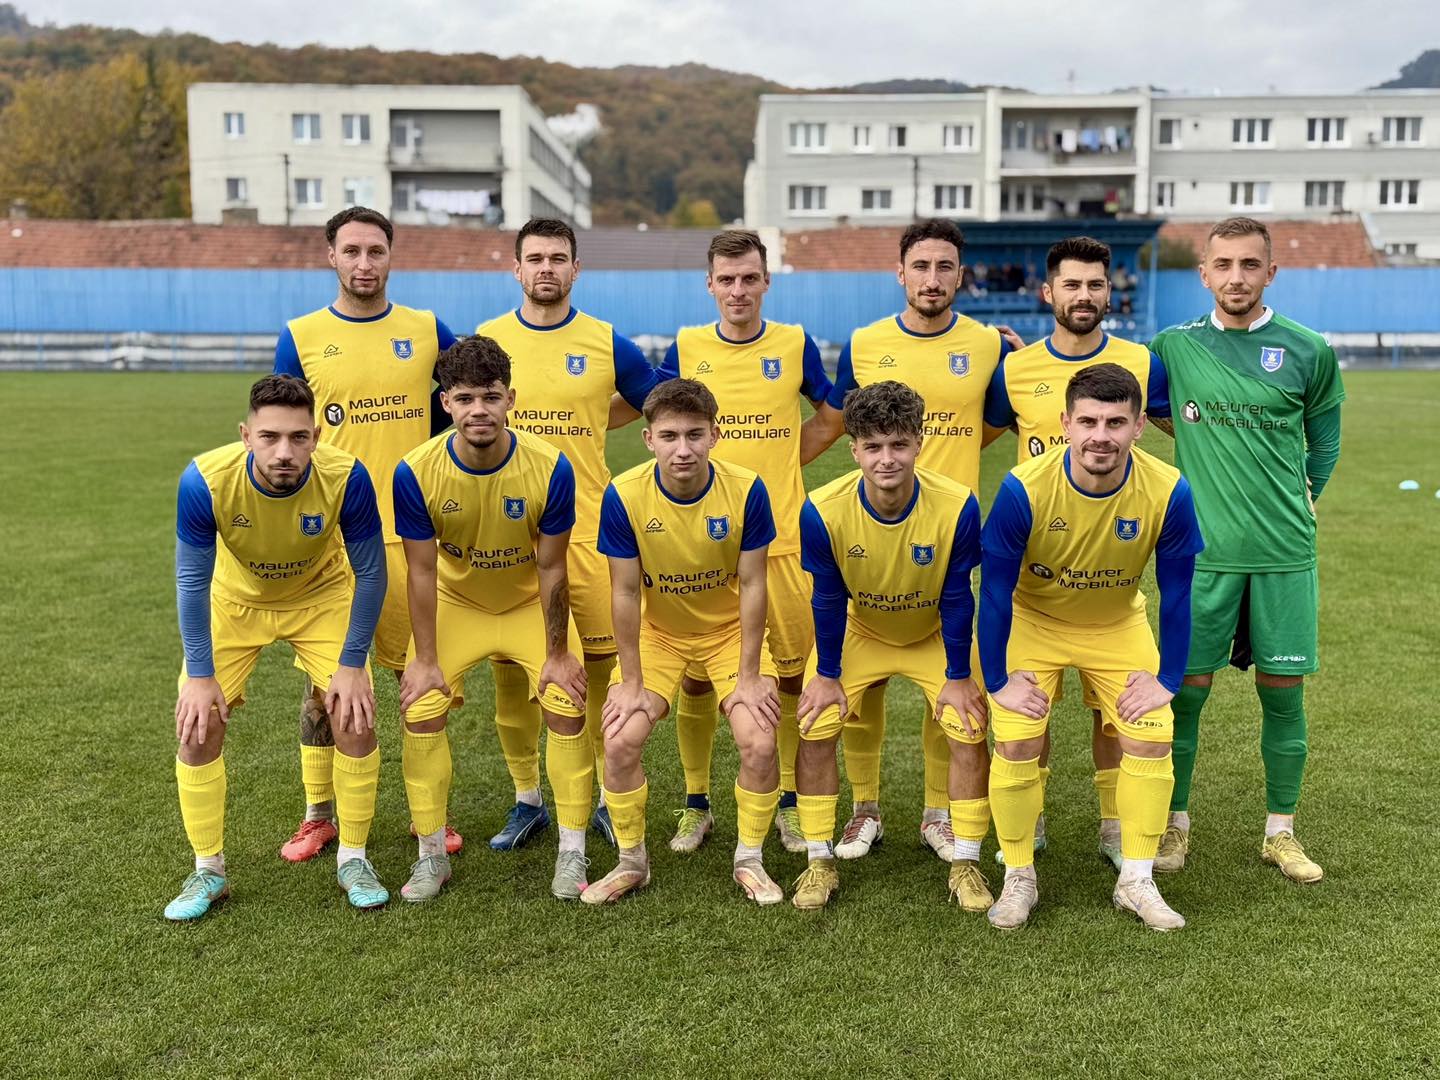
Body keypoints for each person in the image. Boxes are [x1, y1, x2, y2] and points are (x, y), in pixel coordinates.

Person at [801, 219, 1013, 863]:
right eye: (920, 266)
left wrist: (948, 473)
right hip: (871, 526)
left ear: (961, 275)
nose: (932, 278)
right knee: (862, 682)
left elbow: (997, 421)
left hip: (948, 532)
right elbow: (837, 423)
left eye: (945, 266)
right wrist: (773, 475)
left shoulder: (987, 345)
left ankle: (937, 813)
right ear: (900, 274)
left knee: (949, 674)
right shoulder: (866, 343)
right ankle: (864, 808)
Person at [1149, 216, 1344, 882]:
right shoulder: (1174, 346)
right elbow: (1143, 403)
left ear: (1270, 272)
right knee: (1184, 696)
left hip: (1284, 554)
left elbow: (1325, 442)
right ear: (1204, 273)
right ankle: (1173, 825)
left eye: (1250, 264)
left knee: (1283, 696)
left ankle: (1280, 832)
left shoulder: (1308, 349)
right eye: (1224, 264)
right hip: (1204, 555)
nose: (1237, 277)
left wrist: (1305, 498)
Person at [980, 363, 1203, 931]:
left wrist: (1168, 680)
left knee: (1151, 736)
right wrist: (999, 680)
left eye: (1115, 423)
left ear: (1138, 428)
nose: (1100, 436)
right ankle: (1019, 876)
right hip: (1035, 621)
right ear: (1065, 424)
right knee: (1017, 739)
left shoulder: (1168, 490)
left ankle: (1137, 880)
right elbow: (996, 592)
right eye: (1088, 422)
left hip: (1116, 623)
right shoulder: (1023, 488)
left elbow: (1179, 592)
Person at [272, 206, 460, 862]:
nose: (363, 263)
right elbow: (282, 435)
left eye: (375, 251)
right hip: (332, 541)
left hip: (410, 535)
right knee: (324, 685)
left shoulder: (425, 329)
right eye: (350, 250)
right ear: (331, 256)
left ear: (390, 256)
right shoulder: (301, 336)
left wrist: (434, 440)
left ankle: (428, 815)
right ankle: (317, 815)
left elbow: (469, 390)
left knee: (420, 679)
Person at [166, 374, 388, 920]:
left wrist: (352, 664)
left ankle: (354, 859)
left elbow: (371, 572)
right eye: (269, 437)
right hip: (236, 602)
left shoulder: (347, 477)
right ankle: (208, 870)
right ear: (246, 436)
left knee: (353, 713)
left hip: (320, 597)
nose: (283, 451)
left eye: (297, 437)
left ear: (316, 437)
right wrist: (200, 675)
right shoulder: (204, 481)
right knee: (197, 724)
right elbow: (191, 581)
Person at [983, 235, 1171, 870]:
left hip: (1110, 569)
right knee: (1027, 710)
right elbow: (972, 433)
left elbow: (1182, 430)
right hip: (1039, 567)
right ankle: (1027, 820)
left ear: (1109, 291)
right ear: (1048, 292)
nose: (1084, 295)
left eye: (1095, 284)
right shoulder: (1015, 369)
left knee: (1116, 712)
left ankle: (1115, 824)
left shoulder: (1142, 364)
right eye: (1072, 284)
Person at [475, 218, 659, 852]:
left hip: (587, 533)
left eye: (558, 258)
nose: (546, 268)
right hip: (506, 536)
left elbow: (655, 402)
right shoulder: (489, 340)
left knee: (601, 667)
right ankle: (527, 798)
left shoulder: (607, 342)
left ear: (576, 269)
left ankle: (606, 797)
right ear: (517, 269)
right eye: (535, 258)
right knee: (510, 671)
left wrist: (594, 417)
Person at [392, 336, 592, 901]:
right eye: (464, 398)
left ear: (511, 399)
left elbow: (552, 567)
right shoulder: (415, 471)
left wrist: (558, 654)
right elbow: (421, 572)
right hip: (459, 603)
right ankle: (431, 857)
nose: (478, 409)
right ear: (445, 403)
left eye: (490, 396)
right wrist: (425, 660)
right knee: (421, 708)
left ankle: (572, 852)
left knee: (567, 703)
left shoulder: (550, 466)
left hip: (527, 602)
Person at [655, 228, 832, 856]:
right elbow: (653, 411)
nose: (738, 290)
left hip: (780, 542)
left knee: (789, 677)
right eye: (726, 279)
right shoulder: (686, 346)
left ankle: (787, 800)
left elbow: (832, 413)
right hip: (701, 546)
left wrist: (786, 464)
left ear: (766, 282)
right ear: (709, 284)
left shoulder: (793, 343)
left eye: (749, 278)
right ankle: (696, 802)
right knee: (698, 680)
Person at [584, 379, 783, 906]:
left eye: (695, 435)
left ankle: (750, 859)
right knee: (619, 739)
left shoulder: (747, 489)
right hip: (660, 634)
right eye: (669, 436)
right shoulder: (624, 494)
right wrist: (630, 681)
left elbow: (754, 584)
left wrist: (749, 676)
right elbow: (625, 591)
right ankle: (631, 861)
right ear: (648, 439)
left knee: (760, 741)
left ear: (715, 435)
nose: (683, 449)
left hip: (728, 633)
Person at [793, 382, 988, 911]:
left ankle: (966, 862)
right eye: (873, 446)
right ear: (853, 449)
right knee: (815, 722)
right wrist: (827, 674)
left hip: (932, 632)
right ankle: (819, 861)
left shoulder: (957, 505)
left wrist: (958, 676)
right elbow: (828, 598)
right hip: (862, 631)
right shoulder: (822, 509)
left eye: (899, 444)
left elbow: (958, 595)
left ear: (919, 444)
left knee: (968, 724)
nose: (887, 459)